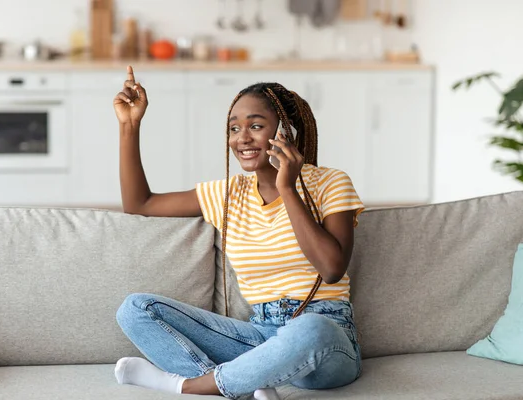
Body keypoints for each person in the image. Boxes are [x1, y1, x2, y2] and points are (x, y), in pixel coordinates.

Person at [113, 66, 365, 400]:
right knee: (135, 309)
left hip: (328, 338)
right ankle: (252, 381)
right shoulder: (228, 194)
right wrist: (130, 125)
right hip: (261, 334)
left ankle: (189, 385)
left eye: (256, 126)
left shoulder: (331, 183)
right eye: (234, 128)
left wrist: (287, 187)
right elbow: (140, 203)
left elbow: (332, 269)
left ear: (286, 131)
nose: (241, 138)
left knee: (310, 329)